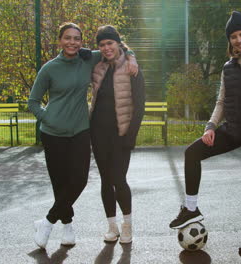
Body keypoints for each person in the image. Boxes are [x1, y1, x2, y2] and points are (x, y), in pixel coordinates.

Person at [168, 11, 241, 254]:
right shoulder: (227, 67)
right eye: (234, 36)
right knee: (192, 153)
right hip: (232, 129)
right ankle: (191, 208)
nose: (239, 40)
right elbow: (221, 101)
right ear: (229, 40)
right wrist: (210, 127)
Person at [28, 22, 137, 249]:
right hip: (53, 134)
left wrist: (132, 57)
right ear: (60, 40)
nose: (72, 42)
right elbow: (33, 102)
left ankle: (47, 222)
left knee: (79, 180)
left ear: (81, 42)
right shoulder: (49, 68)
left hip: (80, 131)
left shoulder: (88, 59)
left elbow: (118, 48)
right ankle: (67, 227)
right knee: (60, 184)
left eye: (76, 38)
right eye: (67, 38)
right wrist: (48, 118)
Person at [89, 25, 145, 244]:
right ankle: (112, 227)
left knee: (119, 180)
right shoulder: (97, 66)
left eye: (109, 43)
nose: (106, 48)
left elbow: (140, 105)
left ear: (118, 43)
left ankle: (127, 225)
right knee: (105, 180)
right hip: (98, 133)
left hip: (121, 134)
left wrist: (131, 136)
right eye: (102, 45)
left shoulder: (132, 68)